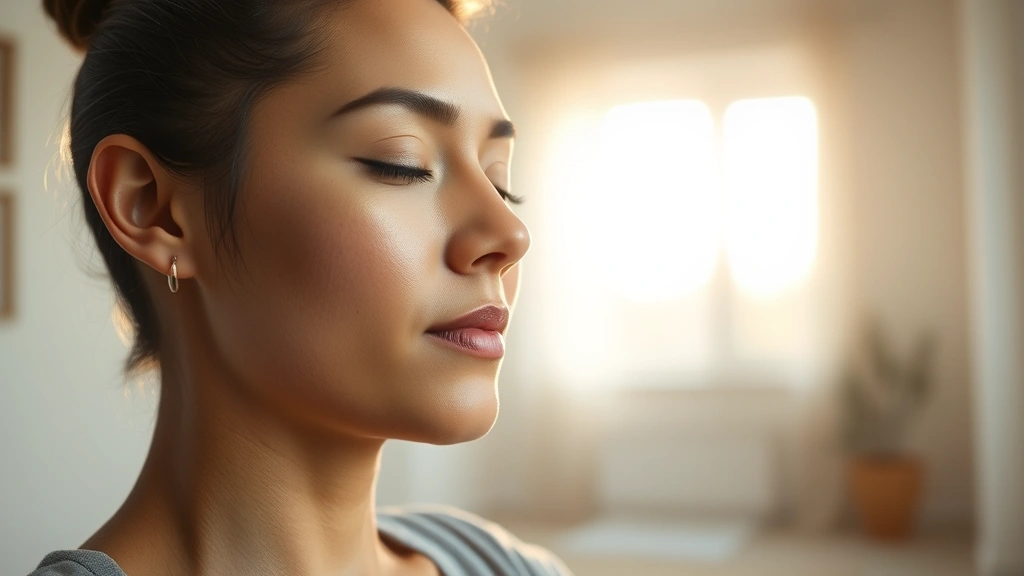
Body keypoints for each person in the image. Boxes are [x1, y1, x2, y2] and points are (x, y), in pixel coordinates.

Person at [30, 0, 571, 574]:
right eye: (401, 162)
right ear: (155, 210)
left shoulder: (505, 565)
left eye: (499, 181)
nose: (509, 233)